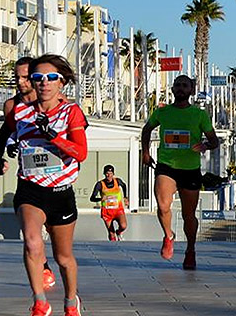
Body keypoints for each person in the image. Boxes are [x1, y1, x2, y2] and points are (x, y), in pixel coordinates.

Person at [0, 54, 88, 316]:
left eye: (50, 78)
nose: (43, 84)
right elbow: (5, 134)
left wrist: (55, 138)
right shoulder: (19, 111)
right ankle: (39, 302)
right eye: (37, 78)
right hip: (30, 188)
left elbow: (81, 152)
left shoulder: (70, 111)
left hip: (60, 191)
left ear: (62, 81)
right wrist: (5, 151)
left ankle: (71, 304)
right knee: (32, 243)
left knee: (63, 258)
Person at [141, 75, 219, 270]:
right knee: (163, 205)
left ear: (191, 90)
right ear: (173, 89)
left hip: (190, 168)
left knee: (188, 214)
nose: (181, 88)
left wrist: (204, 145)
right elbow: (147, 129)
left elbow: (214, 141)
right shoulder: (163, 112)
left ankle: (190, 250)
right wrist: (145, 152)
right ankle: (168, 235)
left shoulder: (199, 115)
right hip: (166, 165)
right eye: (177, 85)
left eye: (185, 85)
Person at [0, 56, 56, 291]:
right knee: (31, 232)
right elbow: (4, 135)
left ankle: (54, 263)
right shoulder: (12, 106)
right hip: (29, 178)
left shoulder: (55, 101)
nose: (20, 82)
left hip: (55, 177)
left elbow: (76, 133)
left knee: (53, 232)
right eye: (16, 77)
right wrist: (1, 157)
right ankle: (44, 266)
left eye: (25, 77)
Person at [90, 164, 129, 241]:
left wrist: (125, 197)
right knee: (111, 233)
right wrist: (101, 198)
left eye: (111, 173)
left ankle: (119, 232)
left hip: (118, 209)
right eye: (107, 173)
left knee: (123, 226)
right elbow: (92, 198)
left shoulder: (117, 181)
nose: (109, 175)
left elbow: (124, 186)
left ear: (113, 174)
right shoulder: (100, 184)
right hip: (107, 212)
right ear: (104, 174)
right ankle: (113, 249)